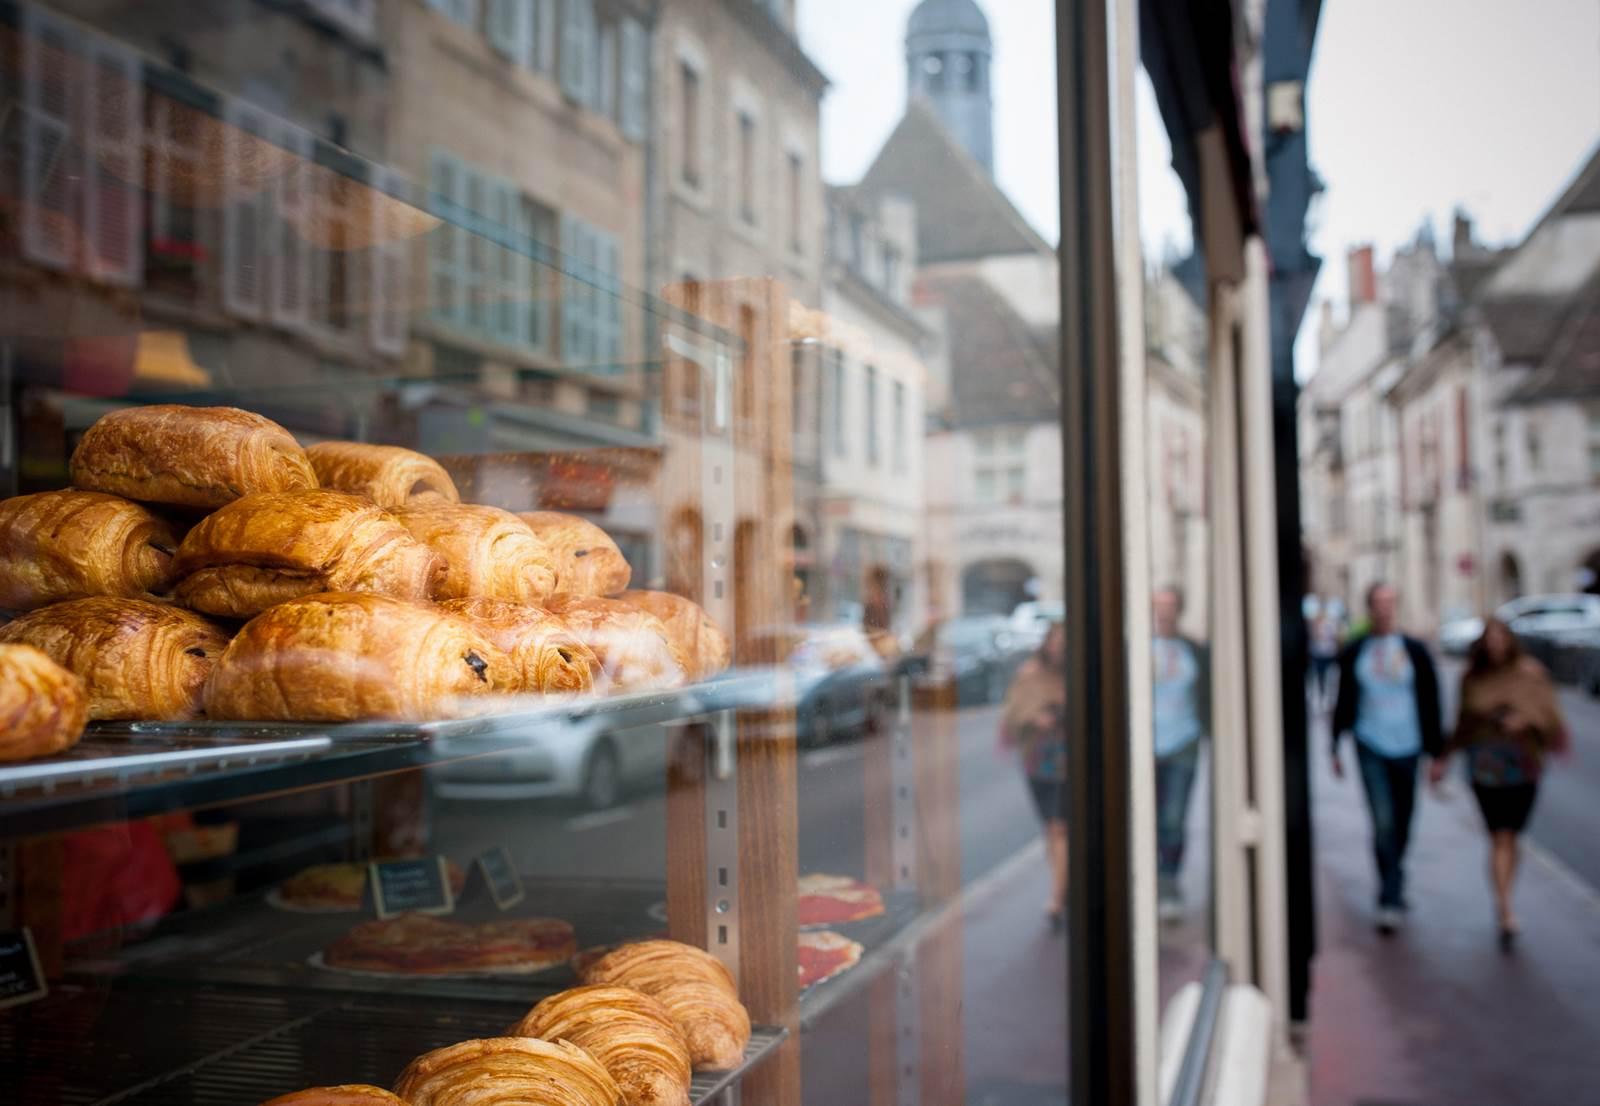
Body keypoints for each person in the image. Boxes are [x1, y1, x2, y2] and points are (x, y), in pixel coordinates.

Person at [1428, 618, 1569, 949]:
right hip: (1485, 766)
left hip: (1523, 763)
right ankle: (1505, 907)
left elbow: (1548, 713)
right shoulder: (1473, 677)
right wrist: (1444, 756)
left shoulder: (1530, 672)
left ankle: (1506, 898)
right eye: (1488, 639)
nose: (1494, 644)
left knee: (1512, 835)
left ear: (1509, 640)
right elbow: (1463, 721)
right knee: (1499, 835)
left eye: (1499, 638)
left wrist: (1526, 720)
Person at [1331, 581, 1443, 934]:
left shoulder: (1414, 650)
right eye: (1378, 602)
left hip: (1408, 745)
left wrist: (1437, 753)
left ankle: (1395, 873)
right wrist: (1334, 743)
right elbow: (1343, 697)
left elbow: (1430, 701)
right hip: (1370, 743)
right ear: (1369, 607)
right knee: (1382, 821)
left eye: (1390, 601)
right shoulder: (1357, 650)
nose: (1384, 608)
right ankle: (1389, 895)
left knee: (1404, 818)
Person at [1001, 620, 1068, 930]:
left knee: (1060, 828)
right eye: (1055, 641)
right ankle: (1062, 885)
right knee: (1050, 829)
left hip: (1068, 761)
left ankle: (1057, 897)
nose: (1059, 648)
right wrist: (1036, 716)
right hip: (1037, 761)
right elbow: (1014, 712)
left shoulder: (1073, 675)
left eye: (1065, 642)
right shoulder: (1029, 674)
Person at [1151, 586, 1209, 921]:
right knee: (1150, 818)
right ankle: (1152, 882)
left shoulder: (1192, 650)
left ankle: (1170, 881)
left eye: (1170, 605)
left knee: (1174, 817)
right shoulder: (1138, 648)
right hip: (1147, 745)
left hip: (1183, 741)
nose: (1164, 611)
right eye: (1159, 605)